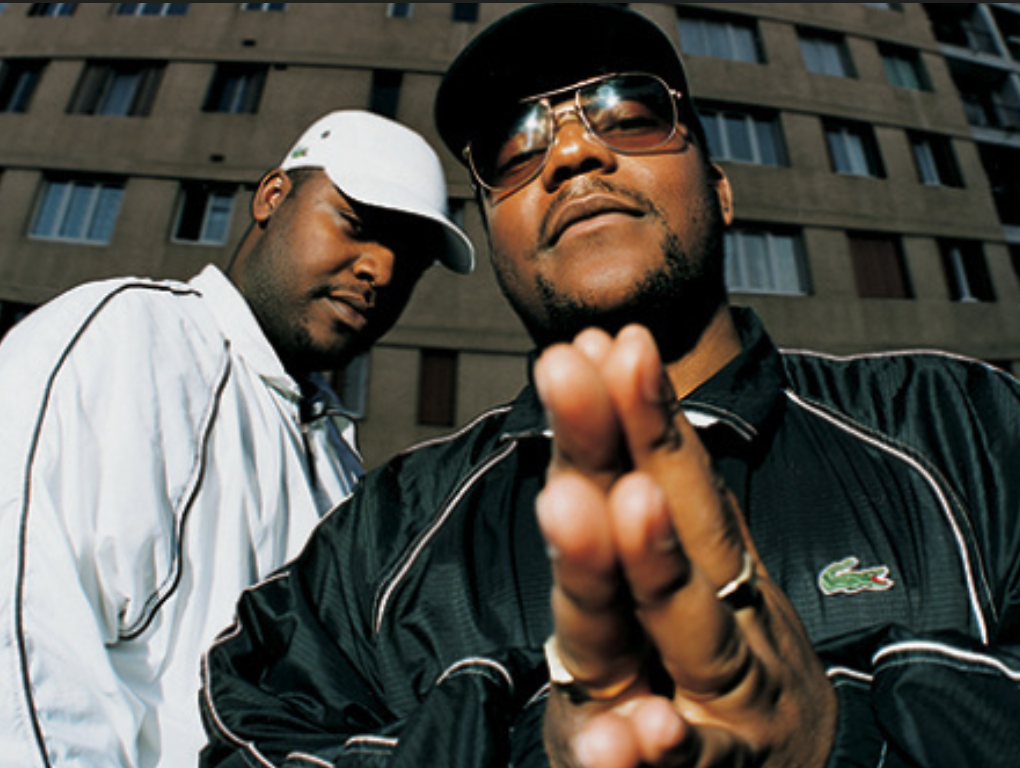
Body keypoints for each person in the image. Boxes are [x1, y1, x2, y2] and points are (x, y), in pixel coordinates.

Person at [199, 6, 1020, 768]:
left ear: (722, 192)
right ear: (496, 243)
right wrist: (537, 746)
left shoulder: (965, 433)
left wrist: (836, 730)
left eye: (629, 114)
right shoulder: (384, 535)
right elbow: (254, 740)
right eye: (515, 148)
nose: (570, 154)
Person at [0, 109, 474, 768]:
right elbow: (22, 633)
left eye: (411, 260)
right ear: (272, 196)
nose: (382, 271)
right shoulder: (132, 338)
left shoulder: (340, 466)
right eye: (357, 225)